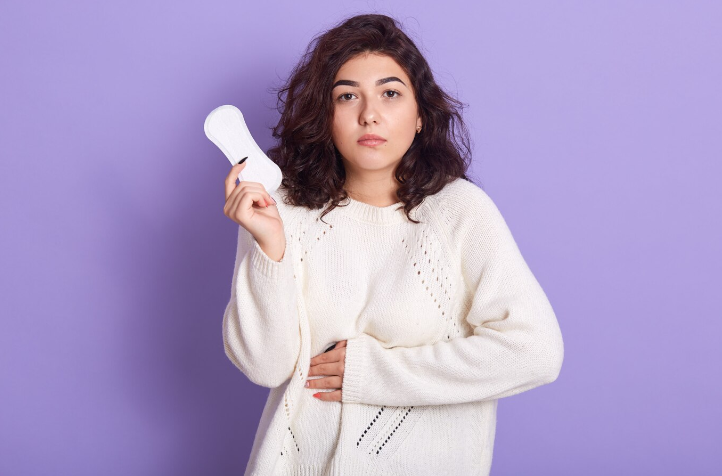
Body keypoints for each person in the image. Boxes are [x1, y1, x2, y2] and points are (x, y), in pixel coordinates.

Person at [221, 13, 564, 476]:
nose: (370, 114)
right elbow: (265, 367)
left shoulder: (461, 212)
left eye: (390, 93)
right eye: (347, 96)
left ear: (420, 114)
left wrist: (374, 374)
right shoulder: (280, 209)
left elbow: (535, 352)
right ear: (325, 114)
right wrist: (270, 249)